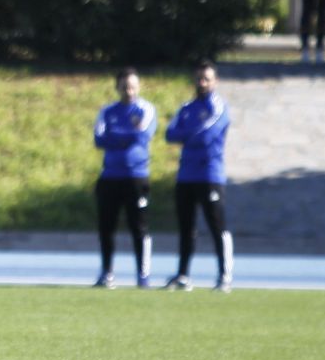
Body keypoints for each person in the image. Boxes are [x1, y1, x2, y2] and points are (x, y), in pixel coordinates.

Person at [164, 60, 233, 292]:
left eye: (207, 79)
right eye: (199, 78)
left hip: (210, 175)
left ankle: (224, 275)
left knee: (217, 226)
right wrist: (188, 134)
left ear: (215, 81)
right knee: (186, 228)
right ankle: (183, 275)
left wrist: (186, 134)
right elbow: (170, 133)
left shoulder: (219, 107)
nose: (202, 83)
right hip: (186, 175)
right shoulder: (186, 108)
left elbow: (207, 134)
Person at [92, 67, 157, 288]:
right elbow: (99, 139)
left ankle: (143, 275)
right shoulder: (107, 111)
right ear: (117, 87)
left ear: (138, 87)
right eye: (124, 87)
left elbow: (142, 136)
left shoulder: (145, 109)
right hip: (110, 176)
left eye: (132, 87)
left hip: (136, 177)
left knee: (139, 227)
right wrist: (128, 134)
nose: (129, 91)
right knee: (106, 227)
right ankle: (107, 273)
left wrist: (116, 135)